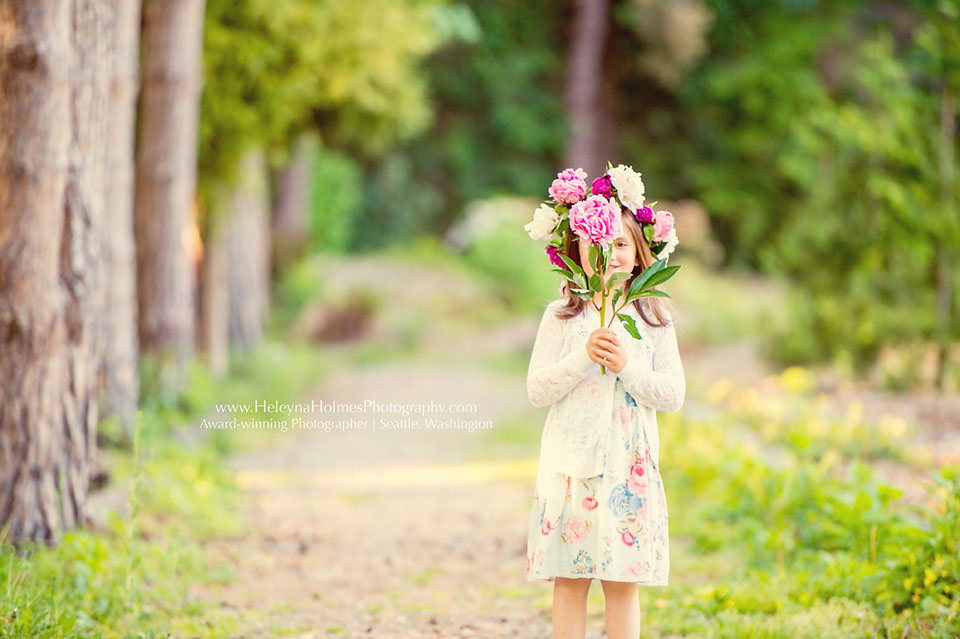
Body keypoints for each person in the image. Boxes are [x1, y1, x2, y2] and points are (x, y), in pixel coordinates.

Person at [525, 209, 686, 639]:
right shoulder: (562, 315)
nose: (607, 254)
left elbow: (674, 394)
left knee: (621, 580)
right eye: (597, 244)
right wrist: (581, 358)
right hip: (570, 465)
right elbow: (537, 390)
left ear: (638, 256)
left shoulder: (654, 320)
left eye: (620, 244)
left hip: (626, 464)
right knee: (570, 578)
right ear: (577, 250)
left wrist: (628, 367)